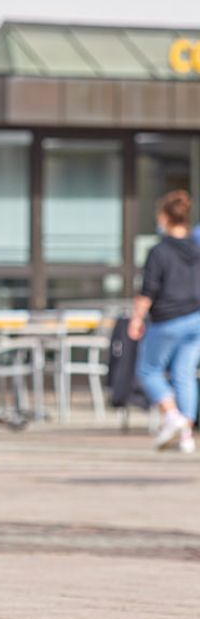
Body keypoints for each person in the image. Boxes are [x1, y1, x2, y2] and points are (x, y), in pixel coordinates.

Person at [128, 190, 200, 453]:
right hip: (196, 318)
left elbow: (148, 289)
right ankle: (186, 436)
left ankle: (174, 417)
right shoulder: (196, 247)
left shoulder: (160, 251)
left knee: (148, 370)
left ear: (166, 217)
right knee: (184, 374)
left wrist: (136, 318)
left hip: (168, 319)